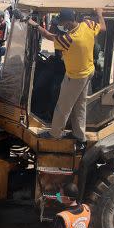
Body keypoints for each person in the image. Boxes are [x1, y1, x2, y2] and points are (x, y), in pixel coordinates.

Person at [28, 8, 106, 146]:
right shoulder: (87, 25)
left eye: (62, 23)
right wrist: (99, 13)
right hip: (88, 72)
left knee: (63, 106)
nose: (62, 25)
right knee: (80, 105)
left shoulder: (69, 39)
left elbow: (49, 36)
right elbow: (103, 27)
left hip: (75, 77)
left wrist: (34, 24)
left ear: (68, 22)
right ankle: (79, 136)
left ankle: (55, 133)